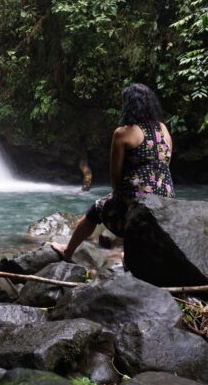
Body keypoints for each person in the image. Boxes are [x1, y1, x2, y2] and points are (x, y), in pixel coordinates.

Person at [51, 83, 175, 261]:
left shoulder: (123, 133)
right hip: (167, 197)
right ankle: (133, 253)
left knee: (95, 210)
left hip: (139, 201)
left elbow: (115, 176)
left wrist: (117, 198)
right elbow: (166, 161)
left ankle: (68, 251)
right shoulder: (163, 129)